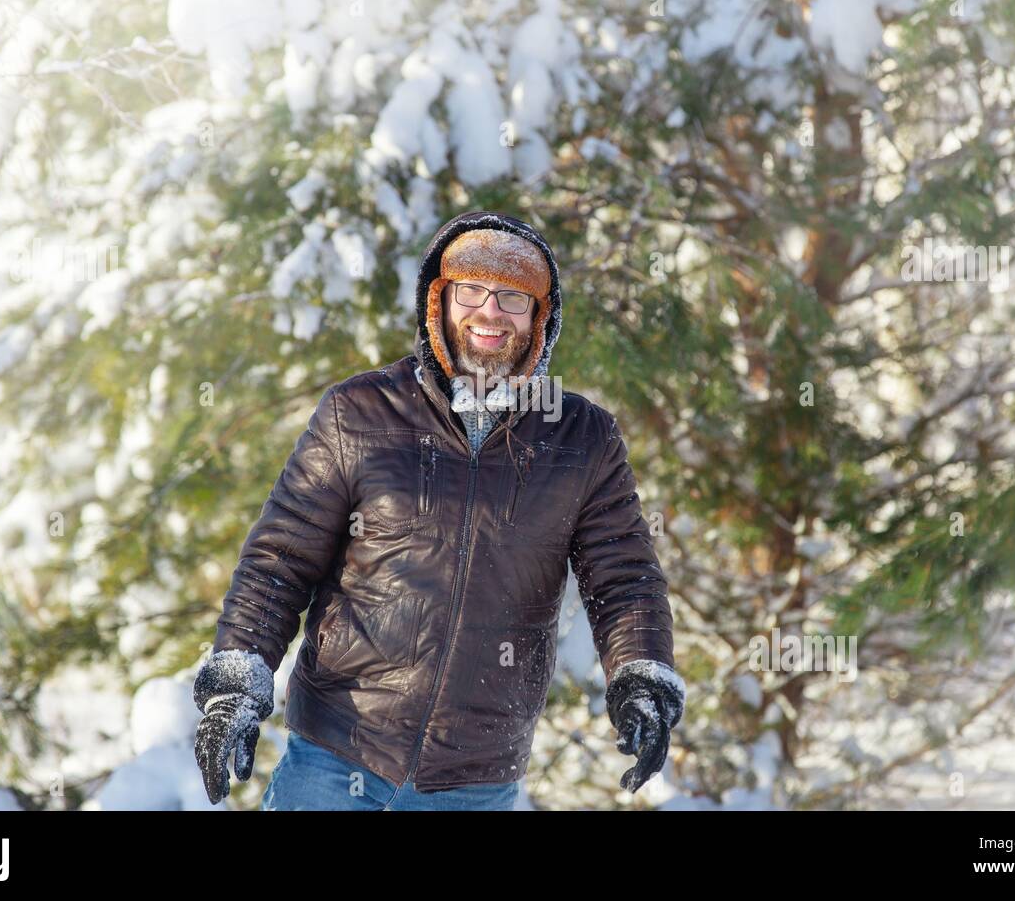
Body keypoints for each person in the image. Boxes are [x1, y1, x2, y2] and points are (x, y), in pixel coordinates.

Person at [192, 210, 685, 810]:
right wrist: (236, 684)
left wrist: (642, 676)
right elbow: (281, 559)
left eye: (512, 298)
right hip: (338, 752)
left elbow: (624, 576)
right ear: (439, 301)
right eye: (471, 291)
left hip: (474, 777)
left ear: (540, 319)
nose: (489, 312)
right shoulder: (360, 413)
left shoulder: (582, 438)